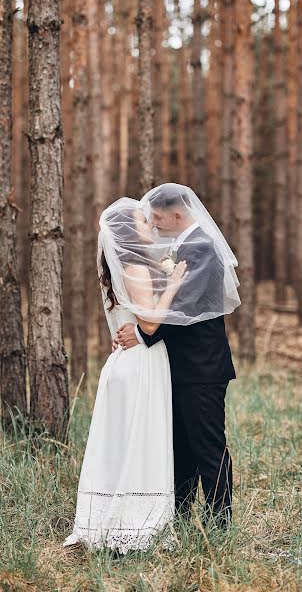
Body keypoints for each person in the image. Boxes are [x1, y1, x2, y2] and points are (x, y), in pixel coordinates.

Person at [114, 182, 241, 528]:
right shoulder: (182, 246)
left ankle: (219, 523)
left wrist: (141, 334)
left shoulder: (200, 246)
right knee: (181, 449)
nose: (153, 224)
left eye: (157, 217)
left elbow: (182, 308)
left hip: (202, 368)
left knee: (207, 448)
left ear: (178, 214)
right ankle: (181, 518)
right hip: (181, 368)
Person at [63, 206, 187, 554]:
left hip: (124, 362)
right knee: (140, 441)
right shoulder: (135, 268)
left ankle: (110, 520)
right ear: (130, 235)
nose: (151, 224)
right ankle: (134, 526)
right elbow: (148, 325)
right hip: (140, 365)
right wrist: (173, 285)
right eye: (143, 221)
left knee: (121, 442)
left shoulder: (119, 270)